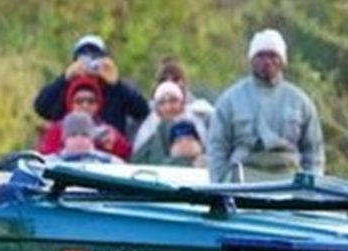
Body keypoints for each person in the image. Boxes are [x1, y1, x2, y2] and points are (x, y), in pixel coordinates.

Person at [206, 28, 324, 183]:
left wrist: (311, 187)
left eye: (273, 55)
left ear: (283, 60)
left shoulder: (300, 102)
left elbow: (313, 151)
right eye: (260, 55)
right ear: (251, 60)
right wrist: (220, 186)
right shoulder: (230, 100)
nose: (267, 61)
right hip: (243, 179)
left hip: (289, 181)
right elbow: (217, 148)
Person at [32, 34, 148, 138]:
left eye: (94, 58)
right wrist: (64, 79)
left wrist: (116, 84)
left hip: (109, 152)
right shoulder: (66, 89)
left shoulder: (114, 89)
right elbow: (41, 108)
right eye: (84, 59)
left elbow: (142, 110)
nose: (89, 65)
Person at [36, 75, 131, 159]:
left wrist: (114, 145)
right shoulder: (57, 130)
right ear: (70, 103)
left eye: (91, 101)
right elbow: (44, 156)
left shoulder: (106, 130)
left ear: (98, 105)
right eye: (79, 101)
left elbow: (126, 152)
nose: (85, 106)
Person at [131, 58, 214, 152]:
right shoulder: (147, 112)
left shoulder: (203, 111)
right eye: (163, 80)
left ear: (184, 81)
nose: (169, 83)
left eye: (175, 79)